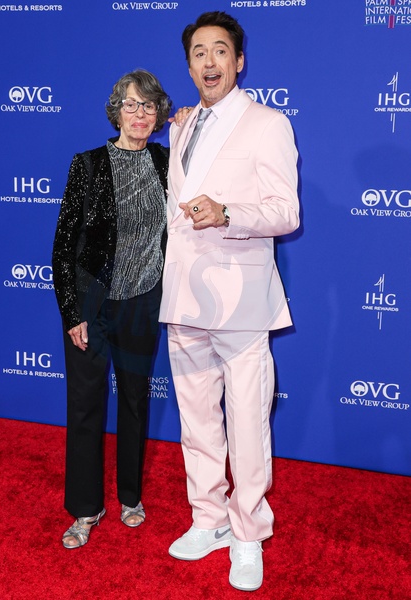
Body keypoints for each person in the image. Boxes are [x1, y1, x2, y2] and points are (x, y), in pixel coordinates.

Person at [159, 12, 300, 592]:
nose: (209, 61)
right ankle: (209, 519)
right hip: (183, 296)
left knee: (246, 425)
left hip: (240, 298)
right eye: (199, 53)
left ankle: (247, 533)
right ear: (190, 65)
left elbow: (286, 212)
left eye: (220, 50)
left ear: (239, 61)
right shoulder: (183, 125)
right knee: (196, 423)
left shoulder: (268, 123)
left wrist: (228, 214)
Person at [52, 69, 171, 548]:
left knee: (135, 400)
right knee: (85, 404)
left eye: (149, 105)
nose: (140, 114)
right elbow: (64, 245)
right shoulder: (88, 165)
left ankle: (130, 497)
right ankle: (86, 508)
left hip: (143, 300)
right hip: (92, 304)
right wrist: (72, 312)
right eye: (131, 104)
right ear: (116, 111)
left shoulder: (167, 162)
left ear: (158, 115)